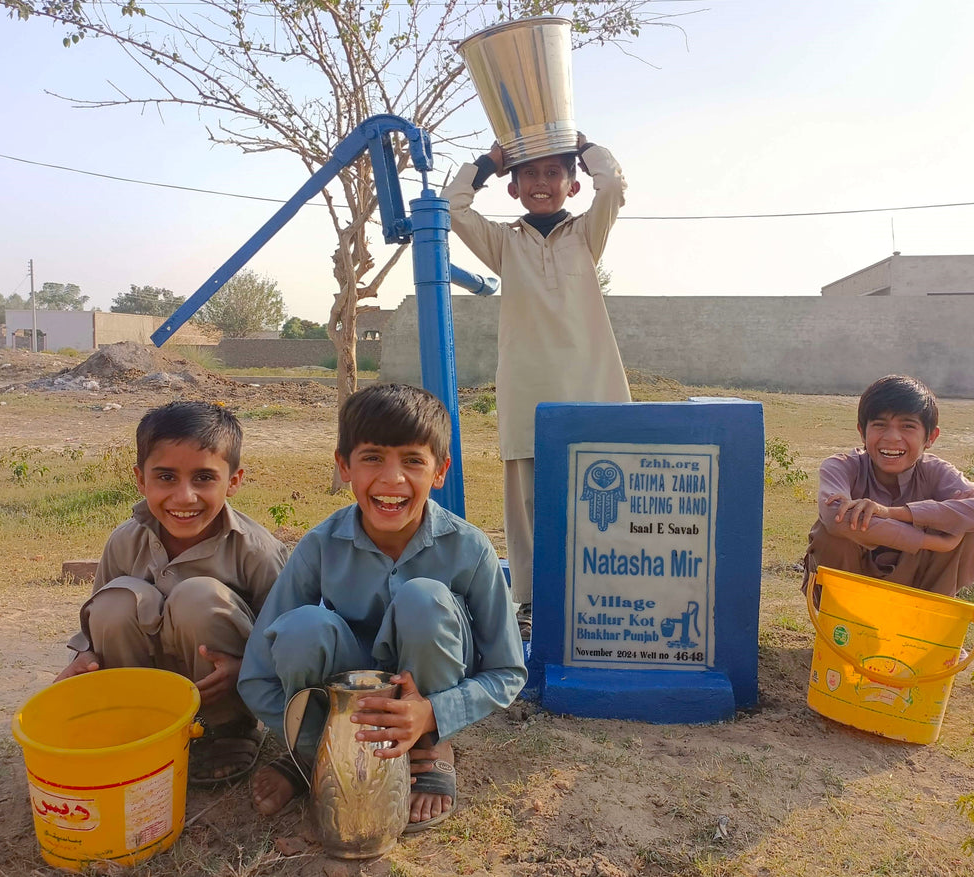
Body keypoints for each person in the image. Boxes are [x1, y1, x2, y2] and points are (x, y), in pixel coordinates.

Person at [238, 382, 526, 830]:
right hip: (343, 699)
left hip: (428, 698)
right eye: (372, 457)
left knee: (423, 598)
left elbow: (508, 671)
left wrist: (432, 712)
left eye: (413, 460)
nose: (392, 479)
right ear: (344, 465)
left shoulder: (470, 548)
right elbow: (256, 674)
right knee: (302, 627)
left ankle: (428, 750)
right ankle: (311, 759)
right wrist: (309, 743)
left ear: (440, 470)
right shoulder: (319, 545)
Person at [441, 135, 631, 638]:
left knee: (603, 494)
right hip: (528, 391)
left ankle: (604, 592)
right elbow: (453, 207)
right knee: (527, 505)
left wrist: (586, 146)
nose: (542, 183)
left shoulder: (587, 234)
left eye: (553, 173)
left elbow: (611, 186)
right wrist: (489, 162)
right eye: (530, 175)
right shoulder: (505, 245)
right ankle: (529, 602)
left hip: (592, 386)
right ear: (514, 188)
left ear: (571, 184)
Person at [57, 400, 290, 784]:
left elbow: (282, 637)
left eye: (203, 478)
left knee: (197, 596)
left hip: (218, 689)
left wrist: (245, 670)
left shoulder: (256, 550)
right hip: (146, 688)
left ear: (233, 480)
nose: (184, 497)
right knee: (115, 601)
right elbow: (93, 625)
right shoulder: (124, 541)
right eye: (166, 477)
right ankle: (136, 724)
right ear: (140, 479)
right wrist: (85, 657)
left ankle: (226, 731)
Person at [802, 374, 974, 600]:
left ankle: (928, 619)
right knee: (833, 531)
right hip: (849, 587)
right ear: (862, 431)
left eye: (908, 426)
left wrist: (892, 513)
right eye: (880, 425)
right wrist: (934, 541)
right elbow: (834, 516)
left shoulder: (936, 471)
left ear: (930, 437)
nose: (892, 437)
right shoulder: (841, 466)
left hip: (919, 587)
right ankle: (843, 621)